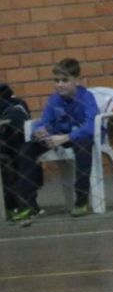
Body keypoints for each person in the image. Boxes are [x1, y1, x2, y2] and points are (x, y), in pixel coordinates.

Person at [10, 58, 99, 224]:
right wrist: (40, 131)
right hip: (58, 137)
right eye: (56, 80)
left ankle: (81, 199)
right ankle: (28, 203)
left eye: (65, 80)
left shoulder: (87, 97)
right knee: (27, 149)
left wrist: (66, 137)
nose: (60, 85)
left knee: (84, 146)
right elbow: (44, 120)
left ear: (77, 81)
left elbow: (91, 126)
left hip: (79, 138)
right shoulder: (54, 99)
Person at [1, 83, 31, 220]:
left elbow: (17, 117)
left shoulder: (13, 104)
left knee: (21, 152)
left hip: (9, 145)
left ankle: (19, 203)